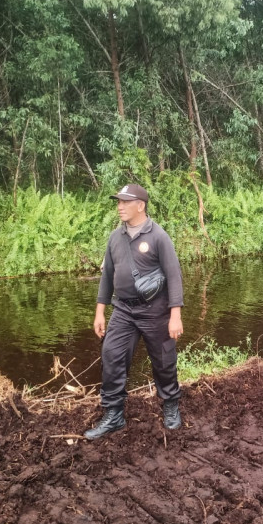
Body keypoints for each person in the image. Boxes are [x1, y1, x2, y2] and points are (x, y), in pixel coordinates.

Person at [84, 183, 185, 440]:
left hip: (156, 310)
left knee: (163, 361)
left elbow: (174, 276)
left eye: (125, 202)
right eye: (118, 202)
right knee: (111, 356)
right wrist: (100, 312)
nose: (119, 207)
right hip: (123, 310)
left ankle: (170, 405)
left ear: (140, 205)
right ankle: (114, 414)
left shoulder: (158, 236)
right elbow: (107, 276)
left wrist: (175, 315)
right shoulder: (115, 238)